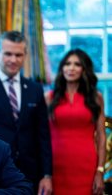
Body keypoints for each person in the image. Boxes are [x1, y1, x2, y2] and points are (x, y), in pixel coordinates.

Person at [0, 31, 53, 194]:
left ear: (25, 56)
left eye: (18, 55)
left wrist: (47, 174)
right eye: (8, 54)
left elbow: (43, 135)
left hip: (29, 174)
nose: (13, 60)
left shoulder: (35, 89)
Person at [44, 48, 106, 194]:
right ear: (62, 68)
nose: (71, 68)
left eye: (77, 64)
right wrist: (44, 173)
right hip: (55, 165)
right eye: (67, 64)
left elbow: (102, 136)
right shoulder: (49, 98)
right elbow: (42, 136)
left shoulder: (96, 98)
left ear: (84, 69)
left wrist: (100, 170)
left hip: (87, 165)